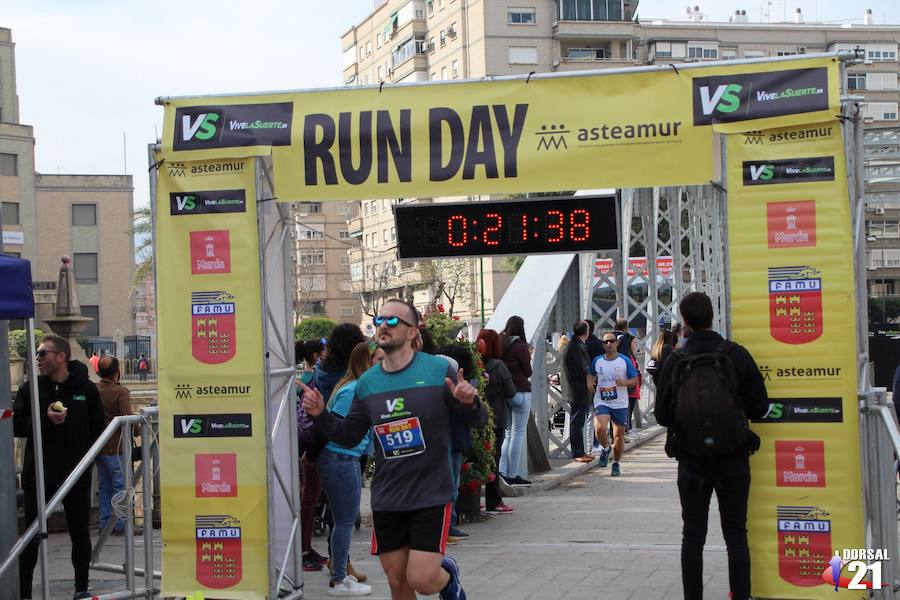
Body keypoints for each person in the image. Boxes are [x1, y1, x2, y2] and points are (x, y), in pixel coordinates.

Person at [301, 298, 486, 600]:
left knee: (422, 580)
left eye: (392, 321)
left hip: (430, 493)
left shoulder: (439, 369)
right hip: (389, 496)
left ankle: (447, 577)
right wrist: (322, 414)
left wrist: (470, 402)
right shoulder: (368, 382)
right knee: (398, 581)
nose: (382, 326)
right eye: (378, 321)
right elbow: (348, 435)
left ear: (413, 332)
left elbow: (475, 420)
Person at [654, 292, 768, 600]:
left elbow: (662, 416)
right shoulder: (736, 354)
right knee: (736, 534)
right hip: (733, 459)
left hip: (691, 462)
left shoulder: (676, 359)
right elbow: (760, 408)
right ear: (713, 316)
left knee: (692, 535)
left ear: (685, 320)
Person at [13, 334, 105, 600]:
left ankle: (81, 588)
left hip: (75, 473)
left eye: (43, 353)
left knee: (79, 533)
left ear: (61, 356)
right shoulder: (30, 389)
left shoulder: (86, 390)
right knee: (31, 534)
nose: (38, 358)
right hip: (39, 473)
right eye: (37, 354)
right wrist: (44, 420)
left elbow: (99, 428)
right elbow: (17, 425)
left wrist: (85, 456)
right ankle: (25, 593)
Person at [299, 324, 366, 572]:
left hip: (316, 441)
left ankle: (308, 548)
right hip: (337, 444)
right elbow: (338, 418)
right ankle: (340, 565)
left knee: (313, 498)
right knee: (342, 512)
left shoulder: (322, 369)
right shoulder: (347, 377)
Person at [316, 342, 381, 596]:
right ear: (366, 362)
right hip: (340, 459)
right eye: (377, 360)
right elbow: (334, 427)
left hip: (345, 459)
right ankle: (339, 579)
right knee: (344, 521)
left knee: (342, 520)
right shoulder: (353, 389)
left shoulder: (356, 387)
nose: (382, 364)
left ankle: (341, 574)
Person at [95, 355, 138, 536]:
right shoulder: (120, 392)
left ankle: (105, 523)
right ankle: (121, 524)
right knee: (121, 486)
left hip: (99, 447)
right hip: (117, 447)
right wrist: (137, 431)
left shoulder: (94, 389)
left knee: (104, 486)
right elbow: (128, 417)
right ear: (116, 371)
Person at [477, 329, 516, 514]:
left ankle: (475, 499)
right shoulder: (498, 366)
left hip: (475, 418)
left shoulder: (473, 364)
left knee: (475, 459)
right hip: (495, 418)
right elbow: (510, 392)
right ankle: (494, 501)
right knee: (493, 459)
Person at [588, 332, 638, 477]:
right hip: (602, 400)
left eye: (611, 341)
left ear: (617, 343)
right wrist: (590, 383)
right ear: (603, 345)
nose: (609, 344)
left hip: (620, 403)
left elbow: (635, 380)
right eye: (605, 342)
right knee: (599, 429)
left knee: (618, 436)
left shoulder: (624, 360)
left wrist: (624, 383)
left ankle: (616, 463)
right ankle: (605, 448)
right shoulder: (597, 361)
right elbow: (590, 373)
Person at [499, 315, 532, 487]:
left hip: (505, 392)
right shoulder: (520, 346)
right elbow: (528, 371)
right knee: (518, 433)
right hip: (520, 390)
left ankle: (502, 472)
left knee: (508, 434)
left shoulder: (500, 342)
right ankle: (512, 474)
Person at [565, 321, 594, 463]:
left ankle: (580, 451)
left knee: (578, 422)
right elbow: (584, 370)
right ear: (586, 332)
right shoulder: (578, 347)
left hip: (577, 390)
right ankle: (578, 453)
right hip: (579, 390)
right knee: (577, 423)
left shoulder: (574, 345)